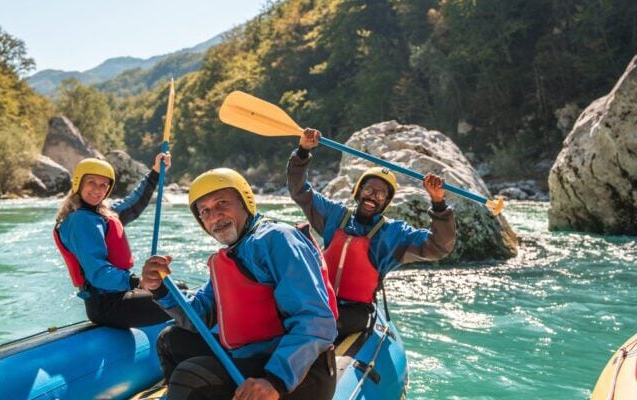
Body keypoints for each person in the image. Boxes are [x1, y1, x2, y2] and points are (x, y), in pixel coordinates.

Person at [140, 168, 338, 400]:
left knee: (189, 376)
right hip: (252, 357)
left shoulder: (277, 239)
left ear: (245, 203)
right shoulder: (232, 253)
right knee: (171, 340)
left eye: (222, 203)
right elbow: (200, 315)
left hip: (300, 373)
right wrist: (161, 288)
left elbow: (315, 320)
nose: (215, 216)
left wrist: (274, 380)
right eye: (205, 211)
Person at [287, 128, 457, 338]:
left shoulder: (394, 234)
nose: (372, 197)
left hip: (355, 311)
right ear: (358, 193)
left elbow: (438, 246)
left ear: (386, 202)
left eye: (380, 194)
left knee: (322, 325)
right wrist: (303, 151)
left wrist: (438, 203)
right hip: (320, 300)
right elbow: (299, 191)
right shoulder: (335, 215)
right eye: (368, 190)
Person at [54, 153, 173, 329]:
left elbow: (134, 204)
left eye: (104, 185)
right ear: (78, 183)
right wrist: (138, 281)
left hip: (118, 296)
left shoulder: (100, 214)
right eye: (91, 182)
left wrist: (156, 172)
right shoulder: (80, 221)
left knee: (176, 289)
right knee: (178, 297)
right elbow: (98, 273)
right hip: (108, 305)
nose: (97, 189)